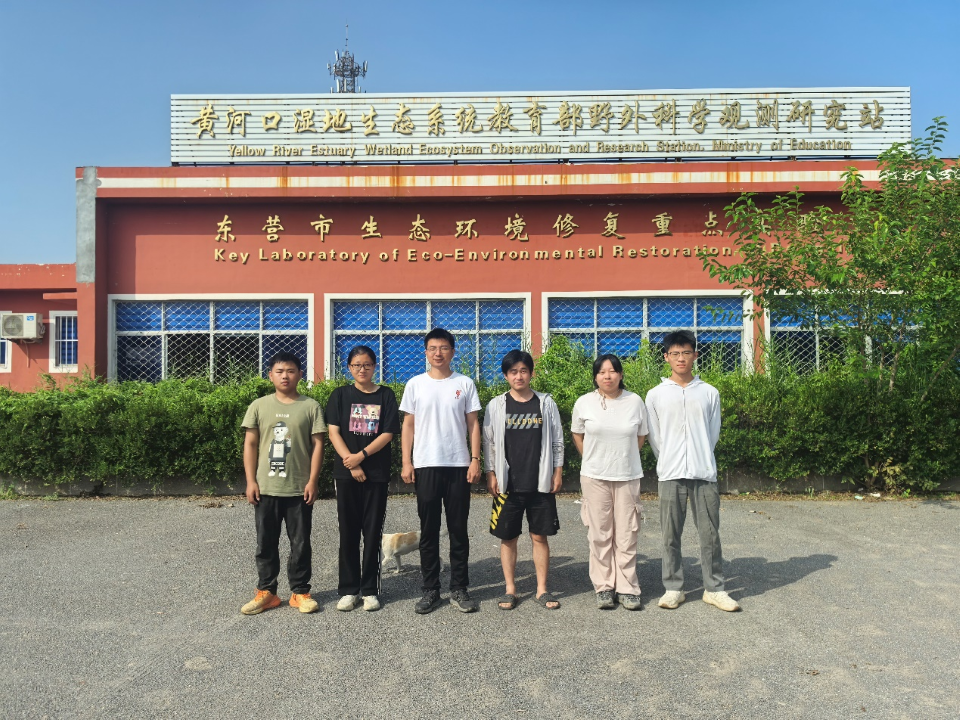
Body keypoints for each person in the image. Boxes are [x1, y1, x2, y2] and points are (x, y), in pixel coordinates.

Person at [645, 330, 740, 612]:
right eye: (675, 353)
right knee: (670, 534)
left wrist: (701, 456)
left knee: (710, 534)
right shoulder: (656, 395)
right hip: (670, 473)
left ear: (695, 355)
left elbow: (712, 433)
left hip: (703, 472)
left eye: (686, 352)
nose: (681, 358)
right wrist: (668, 460)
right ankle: (673, 588)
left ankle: (715, 589)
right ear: (666, 357)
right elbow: (655, 437)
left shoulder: (709, 392)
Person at [400, 328, 482, 614]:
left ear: (452, 351)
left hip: (458, 465)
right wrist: (407, 461)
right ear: (426, 352)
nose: (438, 353)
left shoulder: (465, 383)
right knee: (429, 530)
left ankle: (459, 587)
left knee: (458, 529)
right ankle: (430, 589)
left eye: (444, 348)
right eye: (433, 348)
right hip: (426, 465)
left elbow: (473, 424)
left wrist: (475, 459)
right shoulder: (415, 384)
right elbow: (408, 425)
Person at [240, 352, 326, 615]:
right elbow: (250, 444)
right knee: (265, 542)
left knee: (300, 543)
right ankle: (267, 592)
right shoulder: (259, 405)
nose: (285, 376)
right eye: (279, 371)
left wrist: (313, 480)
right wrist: (250, 481)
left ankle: (300, 592)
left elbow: (318, 445)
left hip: (299, 488)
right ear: (270, 375)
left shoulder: (310, 406)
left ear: (300, 374)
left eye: (290, 371)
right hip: (266, 488)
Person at [483, 350, 565, 610]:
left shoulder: (545, 403)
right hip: (507, 483)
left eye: (523, 371)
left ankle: (542, 589)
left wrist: (557, 471)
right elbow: (489, 443)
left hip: (540, 482)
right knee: (508, 538)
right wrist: (491, 473)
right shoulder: (496, 405)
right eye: (513, 372)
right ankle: (510, 589)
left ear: (531, 373)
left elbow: (557, 440)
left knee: (540, 537)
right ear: (506, 375)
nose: (518, 376)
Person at [571, 354, 648, 611]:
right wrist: (591, 458)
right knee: (599, 534)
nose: (608, 376)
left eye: (613, 371)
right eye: (602, 372)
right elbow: (577, 433)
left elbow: (641, 436)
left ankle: (627, 588)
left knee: (627, 534)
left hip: (627, 475)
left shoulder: (635, 401)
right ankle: (604, 586)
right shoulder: (584, 402)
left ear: (621, 374)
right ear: (595, 377)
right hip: (594, 476)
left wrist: (625, 458)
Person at [326, 345, 401, 613]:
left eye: (367, 364)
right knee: (348, 532)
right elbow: (333, 432)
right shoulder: (340, 395)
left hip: (376, 474)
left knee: (372, 532)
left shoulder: (385, 395)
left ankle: (370, 590)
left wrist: (362, 456)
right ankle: (349, 589)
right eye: (357, 365)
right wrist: (351, 462)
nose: (362, 369)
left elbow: (388, 433)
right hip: (346, 473)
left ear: (374, 366)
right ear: (349, 368)